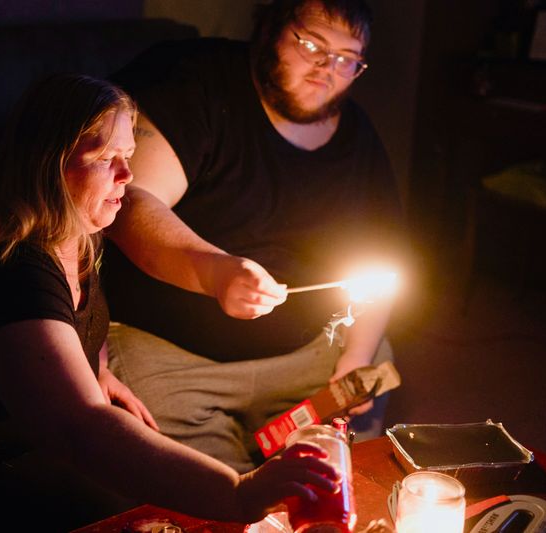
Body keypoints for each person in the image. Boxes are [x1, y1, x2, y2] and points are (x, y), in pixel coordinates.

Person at [0, 73, 343, 532]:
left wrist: (99, 373)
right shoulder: (18, 272)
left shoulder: (77, 230)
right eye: (106, 157)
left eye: (128, 154)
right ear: (49, 161)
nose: (128, 175)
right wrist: (239, 493)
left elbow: (79, 333)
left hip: (29, 447)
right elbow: (80, 429)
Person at [102, 0, 408, 474]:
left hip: (310, 356)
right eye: (311, 45)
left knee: (341, 474)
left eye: (347, 59)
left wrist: (356, 356)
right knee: (215, 496)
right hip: (172, 360)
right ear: (270, 28)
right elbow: (131, 204)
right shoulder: (197, 83)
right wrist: (217, 272)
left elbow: (386, 251)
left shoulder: (357, 137)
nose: (326, 69)